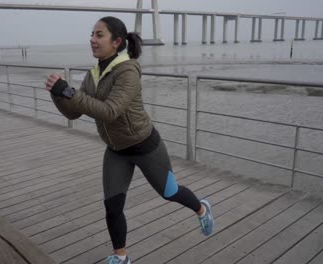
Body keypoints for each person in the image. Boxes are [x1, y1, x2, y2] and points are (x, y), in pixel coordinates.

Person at [45, 16, 214, 264]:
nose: (92, 39)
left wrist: (69, 92)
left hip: (145, 146)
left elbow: (110, 111)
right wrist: (58, 95)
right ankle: (121, 257)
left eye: (99, 35)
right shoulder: (94, 74)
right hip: (116, 150)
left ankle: (202, 208)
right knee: (113, 206)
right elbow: (73, 112)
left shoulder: (128, 71)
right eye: (92, 34)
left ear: (117, 42)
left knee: (170, 192)